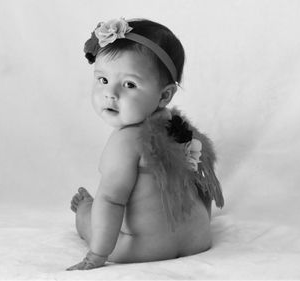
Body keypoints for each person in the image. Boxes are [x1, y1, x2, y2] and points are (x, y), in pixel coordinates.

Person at [66, 18, 224, 271]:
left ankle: (84, 209)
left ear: (164, 95)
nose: (111, 93)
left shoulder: (126, 141)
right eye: (103, 80)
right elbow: (202, 187)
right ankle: (184, 230)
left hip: (143, 249)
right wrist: (200, 225)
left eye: (129, 84)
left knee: (91, 215)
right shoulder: (182, 130)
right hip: (198, 239)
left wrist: (97, 254)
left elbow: (111, 201)